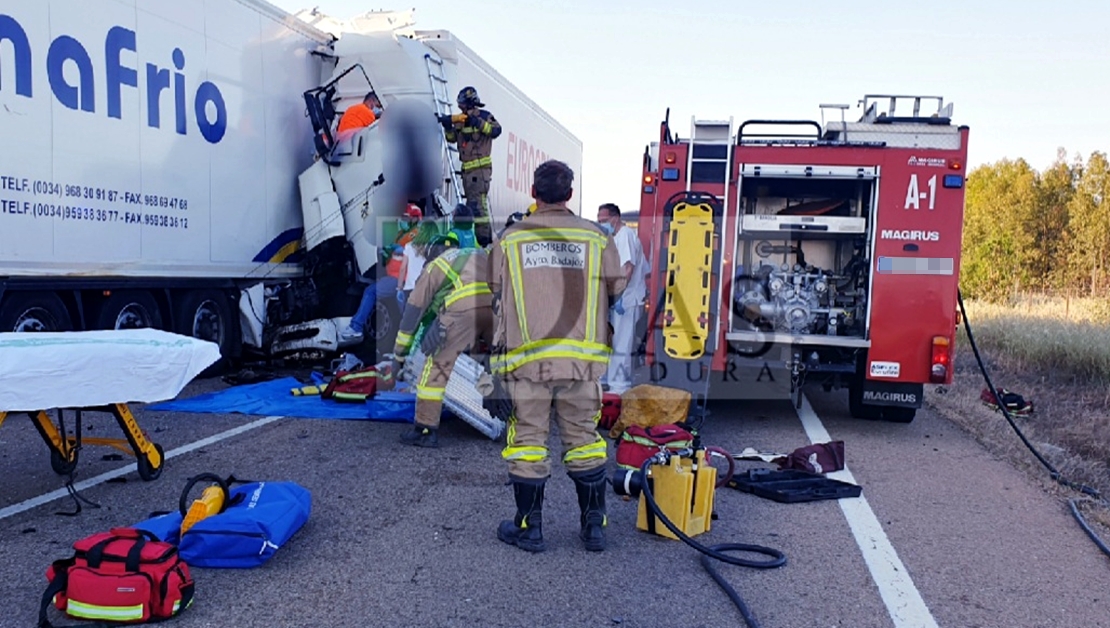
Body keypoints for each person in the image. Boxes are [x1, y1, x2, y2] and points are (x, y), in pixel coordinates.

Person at [487, 159, 627, 553]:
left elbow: (494, 291)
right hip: (581, 363)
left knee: (528, 442)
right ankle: (594, 528)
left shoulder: (511, 238)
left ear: (534, 194)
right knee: (584, 440)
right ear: (569, 195)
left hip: (527, 363)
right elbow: (616, 288)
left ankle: (530, 529)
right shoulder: (597, 238)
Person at [392, 232, 494, 448]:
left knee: (437, 365)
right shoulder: (479, 253)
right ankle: (514, 419)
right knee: (498, 362)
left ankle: (425, 429)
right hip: (497, 309)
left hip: (463, 312)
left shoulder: (436, 265)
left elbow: (413, 313)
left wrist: (399, 355)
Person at [339, 205, 423, 345]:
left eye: (406, 217)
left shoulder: (416, 234)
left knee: (371, 292)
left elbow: (410, 253)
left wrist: (396, 250)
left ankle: (356, 327)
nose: (402, 220)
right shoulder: (405, 233)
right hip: (400, 280)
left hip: (400, 280)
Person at [597, 203, 649, 394]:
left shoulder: (625, 235)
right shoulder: (614, 238)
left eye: (604, 220)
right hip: (619, 300)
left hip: (626, 300)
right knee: (612, 341)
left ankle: (619, 387)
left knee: (621, 343)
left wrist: (618, 294)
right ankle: (608, 381)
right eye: (599, 220)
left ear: (615, 218)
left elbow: (628, 268)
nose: (601, 224)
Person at [440, 86, 501, 243]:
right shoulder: (460, 120)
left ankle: (483, 241)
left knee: (478, 208)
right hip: (467, 172)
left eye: (462, 105)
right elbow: (452, 138)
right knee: (472, 207)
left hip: (480, 171)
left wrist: (478, 123)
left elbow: (496, 131)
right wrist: (447, 125)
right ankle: (474, 239)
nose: (461, 108)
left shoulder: (485, 116)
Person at [397, 220, 442, 307]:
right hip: (428, 290)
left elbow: (403, 268)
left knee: (408, 318)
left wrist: (399, 288)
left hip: (410, 289)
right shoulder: (436, 248)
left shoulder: (409, 246)